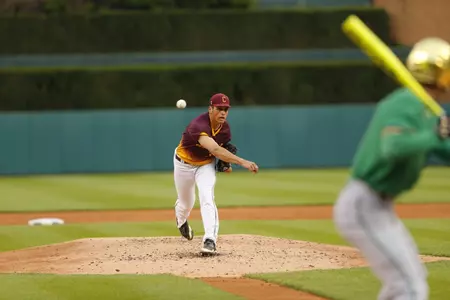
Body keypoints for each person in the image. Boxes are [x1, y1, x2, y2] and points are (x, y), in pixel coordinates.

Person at [333, 37, 450, 300]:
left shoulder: (425, 109)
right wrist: (434, 134)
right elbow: (393, 148)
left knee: (410, 281)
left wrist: (439, 136)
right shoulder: (406, 102)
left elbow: (442, 150)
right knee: (409, 287)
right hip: (364, 203)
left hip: (380, 208)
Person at [173, 93, 259, 255]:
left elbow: (223, 146)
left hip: (205, 166)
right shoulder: (198, 126)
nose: (223, 113)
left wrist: (225, 163)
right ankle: (181, 219)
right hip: (183, 165)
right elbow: (215, 149)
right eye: (219, 109)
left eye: (226, 109)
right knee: (186, 203)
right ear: (210, 109)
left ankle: (210, 240)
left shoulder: (225, 128)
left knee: (207, 197)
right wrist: (242, 162)